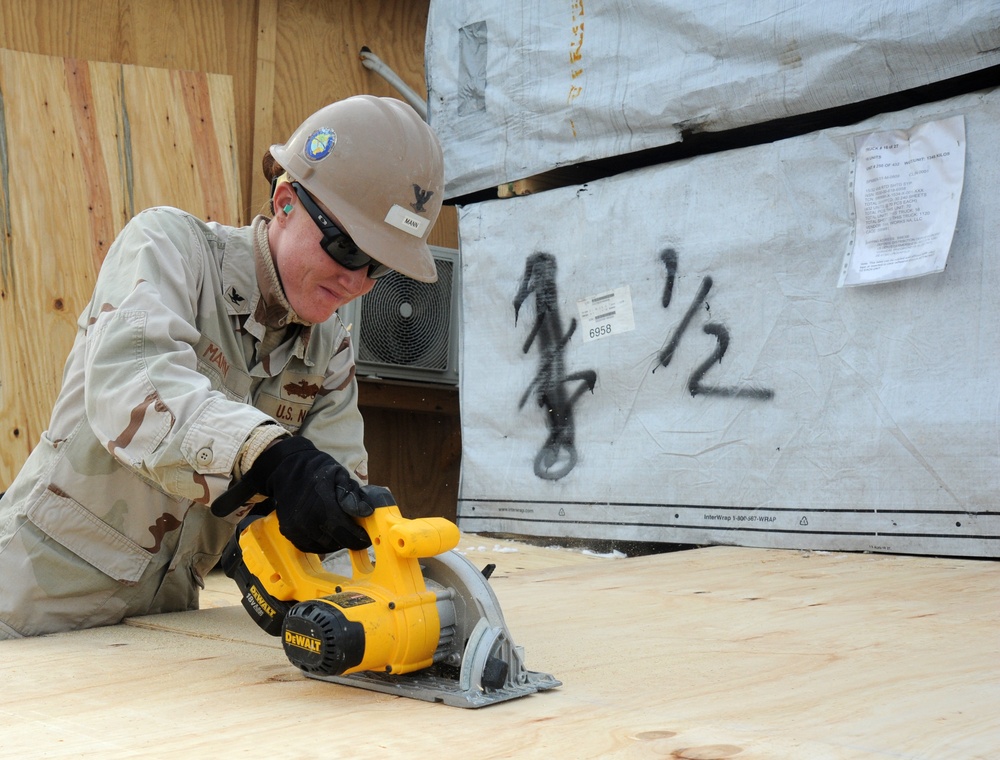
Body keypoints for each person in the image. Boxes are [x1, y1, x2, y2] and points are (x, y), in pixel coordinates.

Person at [0, 95, 444, 638]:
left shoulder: (330, 350)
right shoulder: (169, 248)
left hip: (162, 626)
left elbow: (334, 507)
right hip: (26, 610)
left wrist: (381, 604)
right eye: (348, 250)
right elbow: (131, 383)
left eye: (380, 266)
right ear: (285, 202)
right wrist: (270, 456)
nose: (357, 282)